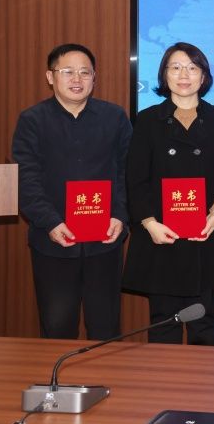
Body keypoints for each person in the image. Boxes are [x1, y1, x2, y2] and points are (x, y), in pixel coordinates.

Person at [122, 42, 214, 345]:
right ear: (164, 75)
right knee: (163, 323)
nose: (184, 75)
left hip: (206, 233)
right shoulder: (147, 120)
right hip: (162, 235)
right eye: (175, 67)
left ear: (203, 76)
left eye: (192, 67)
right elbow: (135, 179)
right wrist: (150, 223)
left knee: (205, 324)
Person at [11, 43, 131, 340]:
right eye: (68, 72)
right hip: (53, 242)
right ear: (50, 76)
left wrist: (119, 215)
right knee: (57, 327)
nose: (77, 79)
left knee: (105, 328)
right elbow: (26, 179)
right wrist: (51, 222)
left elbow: (127, 172)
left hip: (105, 241)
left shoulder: (115, 117)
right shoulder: (32, 120)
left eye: (85, 72)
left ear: (94, 77)